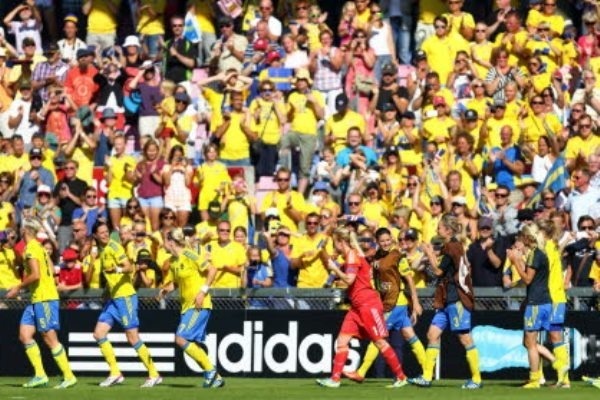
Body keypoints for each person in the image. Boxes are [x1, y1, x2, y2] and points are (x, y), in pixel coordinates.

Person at [316, 226, 408, 388]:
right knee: (342, 341)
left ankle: (401, 377)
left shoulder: (352, 256)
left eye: (334, 243)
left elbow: (349, 280)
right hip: (356, 307)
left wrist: (335, 268)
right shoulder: (353, 254)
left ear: (340, 242)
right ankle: (335, 379)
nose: (333, 246)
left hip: (368, 304)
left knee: (380, 342)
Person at [409, 213, 482, 389]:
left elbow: (438, 271)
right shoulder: (452, 246)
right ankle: (427, 377)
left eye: (440, 227)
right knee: (432, 335)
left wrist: (428, 253)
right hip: (445, 299)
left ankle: (477, 379)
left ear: (447, 230)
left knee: (465, 339)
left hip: (456, 298)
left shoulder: (452, 247)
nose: (437, 229)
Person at [343, 227, 425, 382]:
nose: (386, 243)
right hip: (390, 302)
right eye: (382, 241)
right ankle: (427, 371)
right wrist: (353, 239)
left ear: (392, 240)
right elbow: (363, 257)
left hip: (395, 303)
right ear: (377, 242)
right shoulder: (377, 257)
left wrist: (415, 303)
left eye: (388, 240)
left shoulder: (397, 257)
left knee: (377, 337)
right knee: (410, 336)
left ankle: (361, 372)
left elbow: (409, 280)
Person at [4, 218, 76, 389]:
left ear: (24, 231)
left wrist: (18, 287)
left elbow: (35, 275)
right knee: (25, 335)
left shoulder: (31, 249)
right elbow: (50, 270)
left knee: (50, 338)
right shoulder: (40, 248)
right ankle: (40, 375)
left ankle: (69, 375)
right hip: (37, 297)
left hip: (44, 298)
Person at [91, 221, 162, 388]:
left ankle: (154, 373)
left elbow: (129, 268)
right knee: (99, 334)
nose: (105, 234)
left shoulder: (114, 247)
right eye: (101, 232)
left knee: (132, 337)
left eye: (106, 231)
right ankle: (115, 373)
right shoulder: (102, 251)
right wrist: (107, 293)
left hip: (126, 297)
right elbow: (109, 278)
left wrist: (116, 270)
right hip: (113, 299)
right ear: (95, 235)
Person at [159, 227, 225, 388]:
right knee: (183, 339)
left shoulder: (189, 255)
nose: (163, 244)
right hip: (186, 307)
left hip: (199, 304)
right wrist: (167, 289)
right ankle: (214, 376)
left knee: (180, 338)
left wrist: (202, 292)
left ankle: (211, 371)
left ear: (171, 242)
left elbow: (212, 269)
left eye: (165, 241)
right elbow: (177, 281)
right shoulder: (174, 261)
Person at [505, 224, 563, 388]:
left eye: (520, 238)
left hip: (535, 303)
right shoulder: (540, 253)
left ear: (526, 238)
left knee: (530, 343)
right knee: (533, 341)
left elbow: (528, 279)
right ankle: (553, 366)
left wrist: (515, 261)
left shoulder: (535, 254)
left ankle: (535, 378)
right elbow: (532, 275)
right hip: (544, 301)